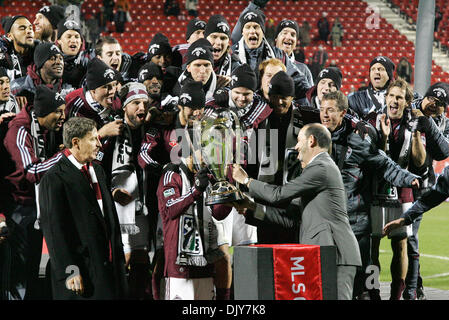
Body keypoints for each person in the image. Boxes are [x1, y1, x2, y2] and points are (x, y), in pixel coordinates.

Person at [232, 123, 362, 300]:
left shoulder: (321, 168)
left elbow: (279, 195)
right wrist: (252, 207)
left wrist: (247, 181)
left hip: (335, 254)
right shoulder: (314, 173)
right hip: (321, 254)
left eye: (299, 141)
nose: (295, 147)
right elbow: (290, 219)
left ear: (311, 140)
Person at [318, 90, 421, 300]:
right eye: (322, 110)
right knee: (326, 278)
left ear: (343, 112)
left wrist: (407, 178)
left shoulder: (357, 141)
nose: (325, 115)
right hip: (325, 223)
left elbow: (384, 163)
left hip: (355, 222)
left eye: (330, 110)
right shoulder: (314, 139)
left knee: (360, 278)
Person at [38, 116, 127, 299]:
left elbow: (108, 219)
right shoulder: (54, 178)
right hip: (80, 272)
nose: (99, 144)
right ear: (76, 142)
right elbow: (54, 231)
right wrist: (69, 269)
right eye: (93, 139)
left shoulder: (98, 171)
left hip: (106, 268)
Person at [3, 85, 67, 300]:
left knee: (38, 270)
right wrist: (66, 155)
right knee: (20, 272)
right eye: (58, 111)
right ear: (42, 112)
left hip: (38, 206)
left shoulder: (42, 126)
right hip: (19, 208)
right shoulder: (19, 130)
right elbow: (31, 171)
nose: (62, 117)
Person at [367, 78, 427, 300]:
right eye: (391, 96)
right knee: (372, 245)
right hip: (376, 190)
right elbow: (373, 158)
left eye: (399, 97)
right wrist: (382, 137)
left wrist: (416, 135)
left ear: (405, 102)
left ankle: (395, 295)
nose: (394, 100)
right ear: (386, 98)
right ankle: (372, 291)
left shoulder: (412, 126)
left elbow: (419, 162)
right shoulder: (374, 121)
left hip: (403, 193)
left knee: (400, 246)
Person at [402, 82, 449, 300]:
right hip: (395, 178)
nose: (433, 104)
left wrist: (426, 121)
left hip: (420, 184)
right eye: (431, 98)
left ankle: (412, 288)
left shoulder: (443, 123)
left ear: (444, 109)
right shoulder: (407, 105)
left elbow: (442, 152)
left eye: (439, 104)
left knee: (411, 236)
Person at [109, 82, 152, 299]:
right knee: (122, 254)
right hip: (117, 205)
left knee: (141, 254)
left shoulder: (152, 130)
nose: (141, 107)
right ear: (125, 107)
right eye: (135, 103)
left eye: (144, 103)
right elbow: (97, 166)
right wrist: (112, 191)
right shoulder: (112, 129)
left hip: (142, 204)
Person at [230, 8, 311, 99]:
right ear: (242, 32)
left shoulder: (278, 55)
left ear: (263, 31)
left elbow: (298, 81)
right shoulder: (231, 54)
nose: (252, 31)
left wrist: (312, 95)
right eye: (248, 27)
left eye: (256, 27)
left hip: (270, 108)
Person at [10, 42, 72, 109]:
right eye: (53, 58)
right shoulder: (16, 89)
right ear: (40, 63)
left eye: (61, 58)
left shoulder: (68, 89)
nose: (59, 62)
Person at [348, 55, 396, 120]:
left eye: (381, 69)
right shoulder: (354, 99)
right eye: (373, 69)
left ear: (389, 75)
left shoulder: (400, 98)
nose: (376, 72)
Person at [274, 19, 313, 88]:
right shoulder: (264, 63)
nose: (289, 37)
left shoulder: (303, 70)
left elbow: (309, 97)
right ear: (276, 38)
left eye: (293, 35)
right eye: (284, 33)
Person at [0, 16, 37, 82]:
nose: (29, 31)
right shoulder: (4, 57)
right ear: (10, 36)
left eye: (30, 28)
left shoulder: (40, 51)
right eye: (22, 28)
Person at [204, 14, 241, 80]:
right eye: (214, 37)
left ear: (228, 42)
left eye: (223, 38)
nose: (218, 42)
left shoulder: (236, 67)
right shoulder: (191, 62)